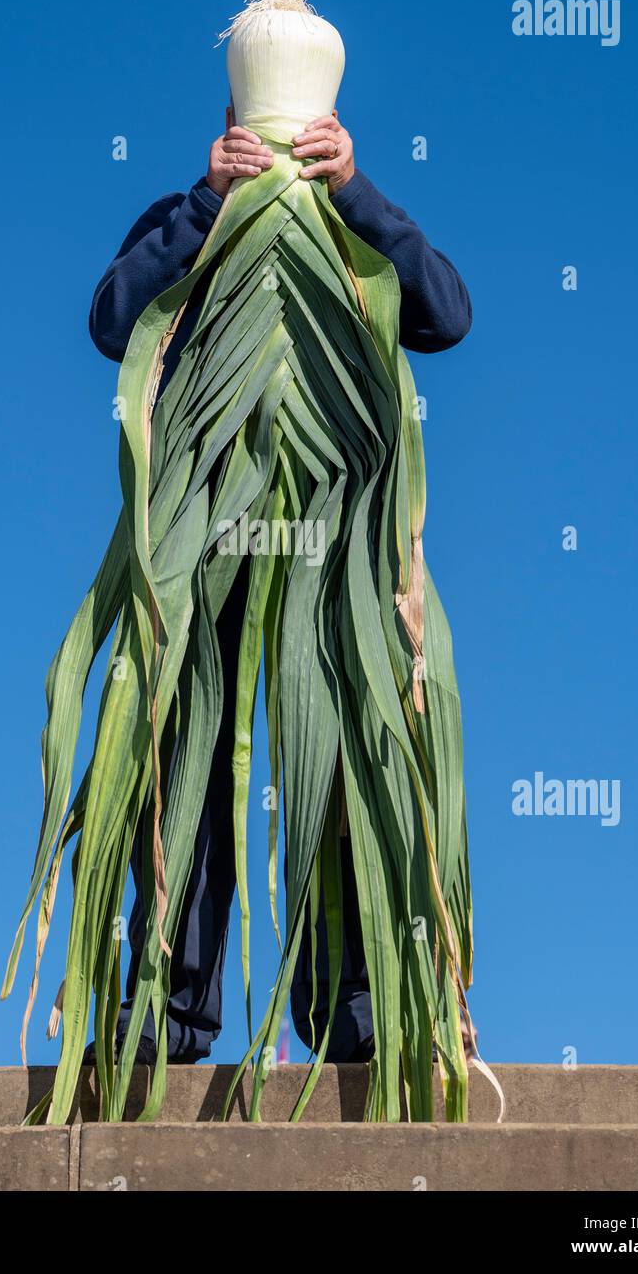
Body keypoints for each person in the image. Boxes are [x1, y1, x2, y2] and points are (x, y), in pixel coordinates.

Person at [88, 111, 472, 1066]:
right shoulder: (190, 213)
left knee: (338, 763)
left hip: (328, 540)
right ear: (227, 123)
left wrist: (358, 194)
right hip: (199, 527)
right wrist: (204, 206)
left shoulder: (352, 224)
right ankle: (164, 1018)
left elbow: (447, 315)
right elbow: (112, 320)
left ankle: (353, 1016)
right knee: (185, 768)